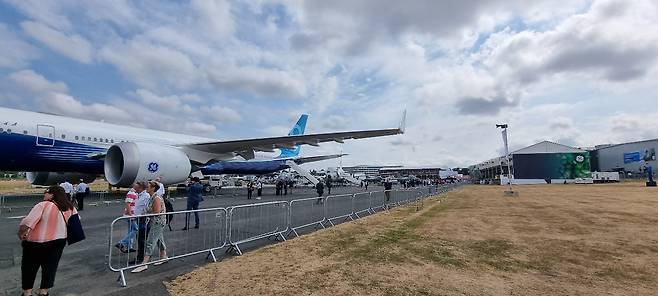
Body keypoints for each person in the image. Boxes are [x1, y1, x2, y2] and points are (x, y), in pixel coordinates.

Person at [18, 185, 76, 296]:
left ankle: (27, 292)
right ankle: (43, 292)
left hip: (36, 243)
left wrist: (21, 234)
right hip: (58, 242)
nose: (44, 194)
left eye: (46, 191)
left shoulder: (42, 205)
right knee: (50, 267)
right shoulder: (69, 207)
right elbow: (75, 222)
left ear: (52, 194)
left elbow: (28, 222)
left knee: (29, 268)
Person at [131, 181, 168, 273]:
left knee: (150, 241)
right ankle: (164, 256)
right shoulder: (152, 197)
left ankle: (144, 264)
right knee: (159, 240)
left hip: (158, 222)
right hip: (155, 221)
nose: (146, 187)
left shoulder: (156, 198)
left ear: (153, 188)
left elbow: (157, 212)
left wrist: (146, 212)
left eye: (148, 186)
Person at [116, 186, 138, 253]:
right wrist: (130, 215)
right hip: (131, 215)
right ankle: (122, 243)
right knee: (135, 229)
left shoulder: (134, 193)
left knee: (130, 230)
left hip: (131, 214)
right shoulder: (131, 193)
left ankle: (129, 246)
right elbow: (128, 204)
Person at [133, 182, 151, 264]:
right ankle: (141, 257)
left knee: (142, 239)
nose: (134, 187)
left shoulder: (146, 196)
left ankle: (142, 258)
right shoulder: (138, 195)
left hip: (143, 219)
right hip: (138, 218)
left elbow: (146, 207)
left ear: (140, 187)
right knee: (140, 239)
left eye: (136, 186)